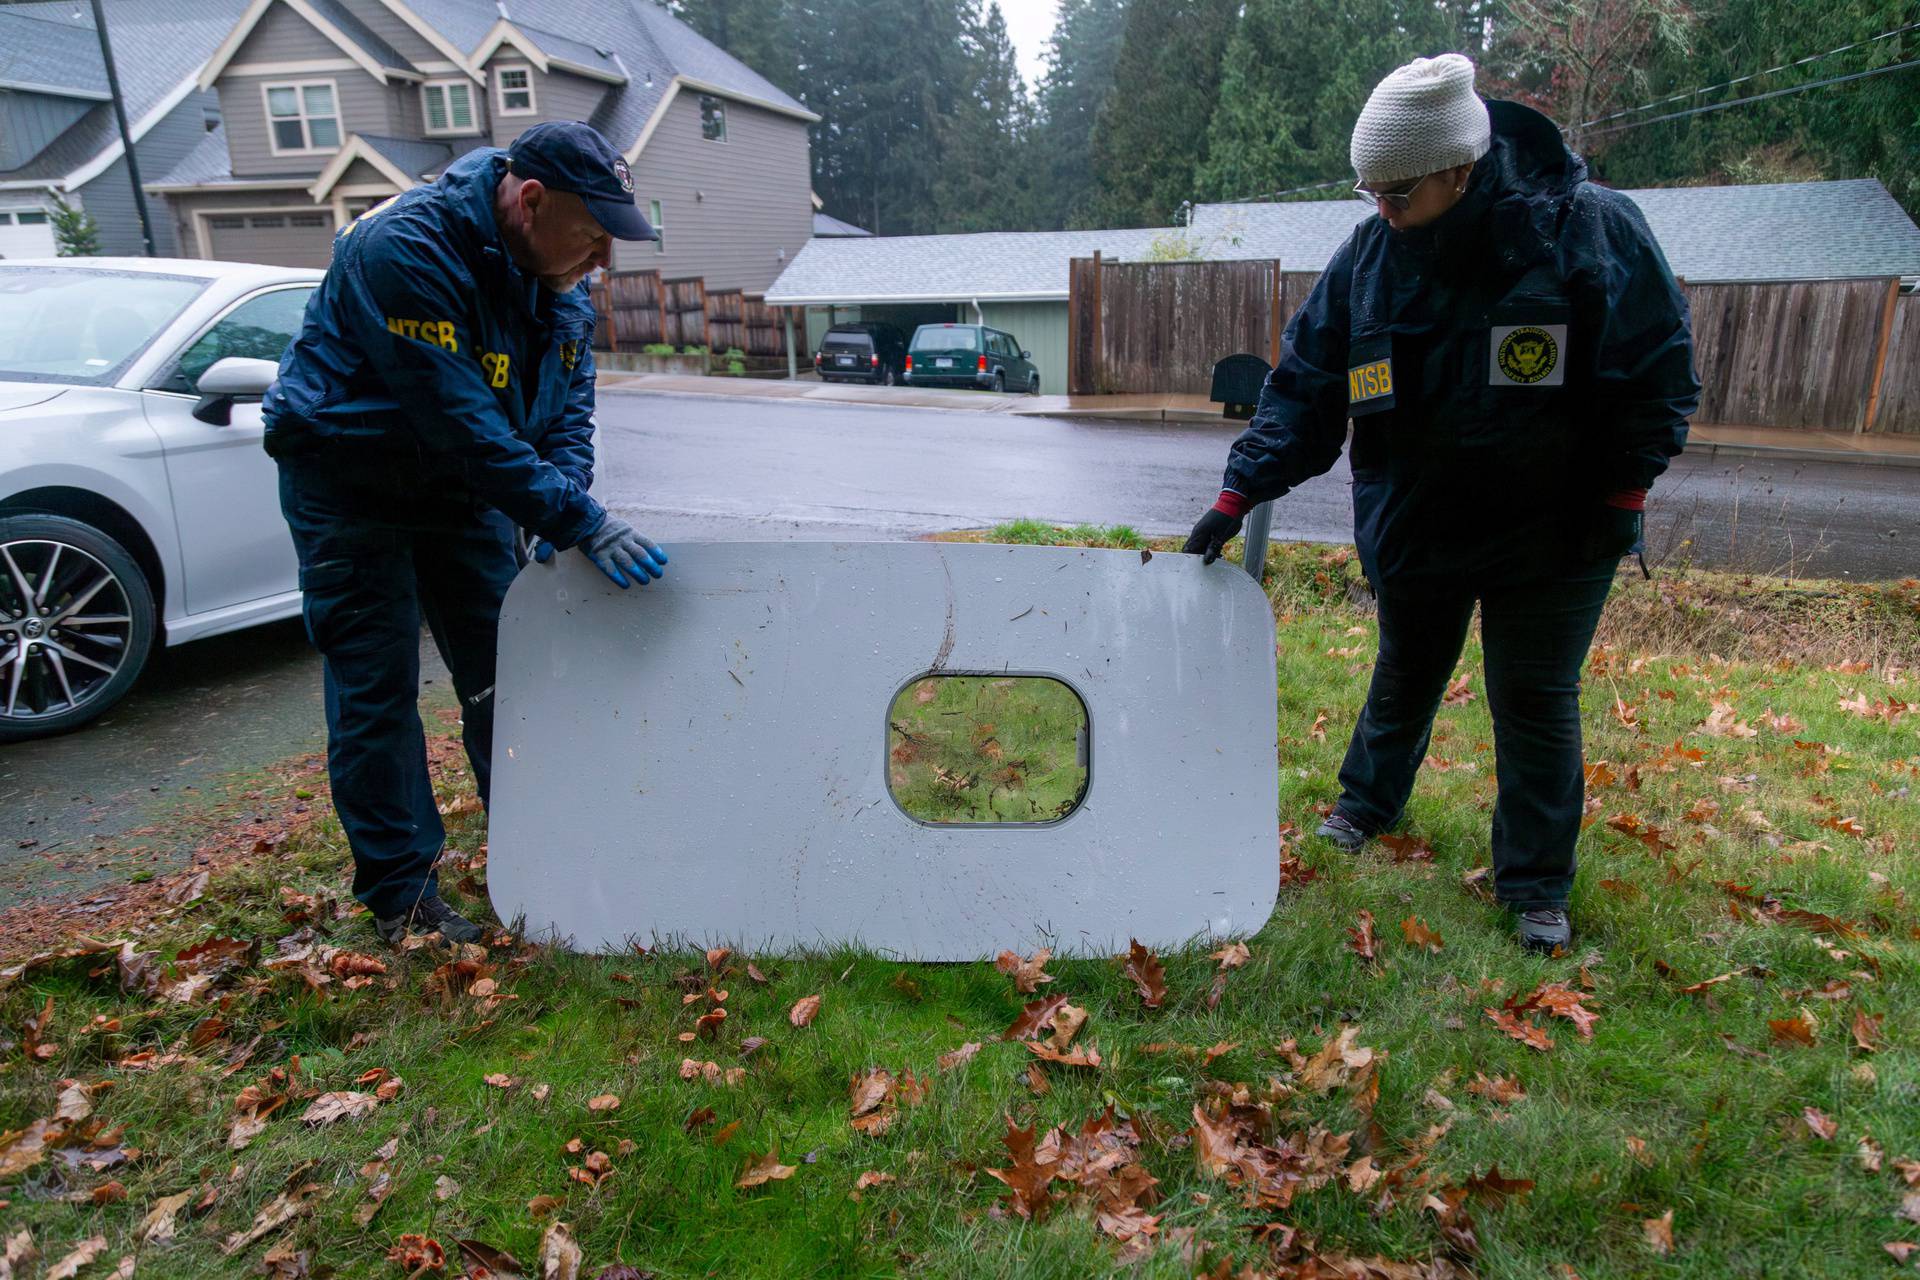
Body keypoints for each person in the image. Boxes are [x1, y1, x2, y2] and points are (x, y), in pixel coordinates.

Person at [1184, 55, 1699, 953]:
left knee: (1534, 697)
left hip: (1556, 528)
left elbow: (1658, 372)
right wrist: (1240, 490)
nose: (1380, 210)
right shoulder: (1370, 257)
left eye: (1399, 191)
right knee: (1406, 669)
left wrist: (1624, 486)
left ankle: (1536, 886)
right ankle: (1364, 806)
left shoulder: (1588, 230)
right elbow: (1307, 384)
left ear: (1460, 169)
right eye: (1369, 191)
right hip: (1418, 519)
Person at [263, 122, 670, 945]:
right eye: (593, 237)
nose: (603, 263)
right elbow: (461, 423)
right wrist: (576, 519)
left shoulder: (558, 285)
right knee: (377, 688)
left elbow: (567, 414)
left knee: (509, 679)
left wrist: (565, 503)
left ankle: (540, 852)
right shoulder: (403, 249)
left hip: (464, 489)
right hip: (351, 480)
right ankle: (402, 897)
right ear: (529, 202)